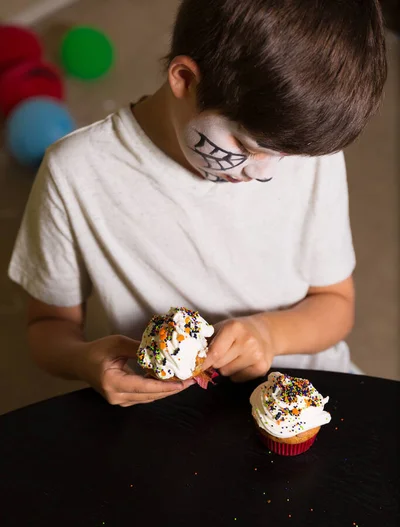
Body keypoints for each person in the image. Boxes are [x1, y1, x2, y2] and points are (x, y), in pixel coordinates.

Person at [8, 0, 387, 407]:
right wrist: (85, 361)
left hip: (313, 383)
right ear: (185, 78)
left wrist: (269, 334)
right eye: (246, 146)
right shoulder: (76, 173)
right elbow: (47, 327)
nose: (266, 173)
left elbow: (335, 305)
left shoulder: (309, 151)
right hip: (172, 411)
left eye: (287, 156)